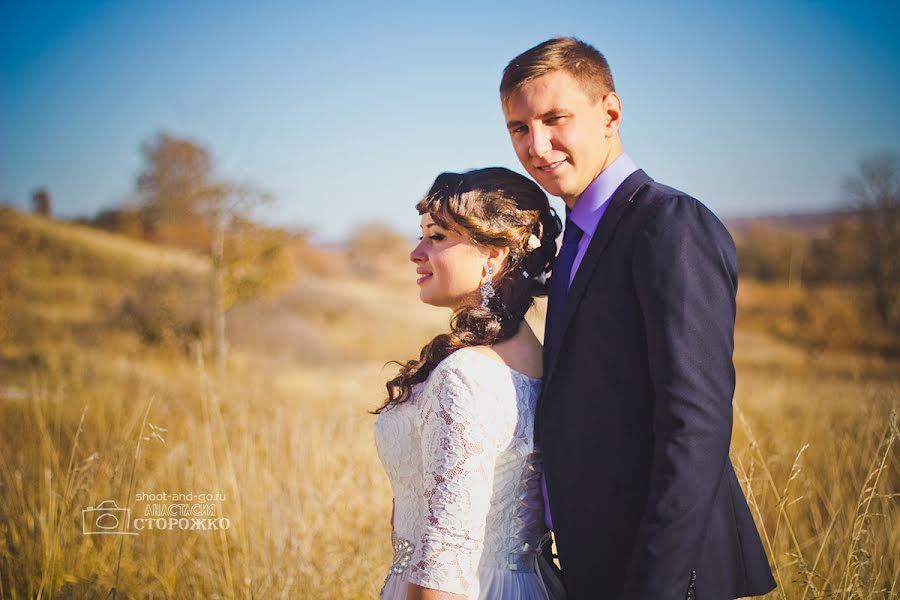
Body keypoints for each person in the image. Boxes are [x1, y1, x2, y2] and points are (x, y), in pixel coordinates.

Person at [499, 37, 777, 599]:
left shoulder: (669, 225)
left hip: (663, 570)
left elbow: (695, 424)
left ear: (610, 112)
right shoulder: (577, 235)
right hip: (594, 556)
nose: (538, 145)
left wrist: (657, 585)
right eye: (519, 128)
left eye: (556, 119)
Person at [373, 167, 567, 599]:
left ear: (493, 256)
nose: (416, 253)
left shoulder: (467, 375)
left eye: (437, 237)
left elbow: (446, 557)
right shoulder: (538, 356)